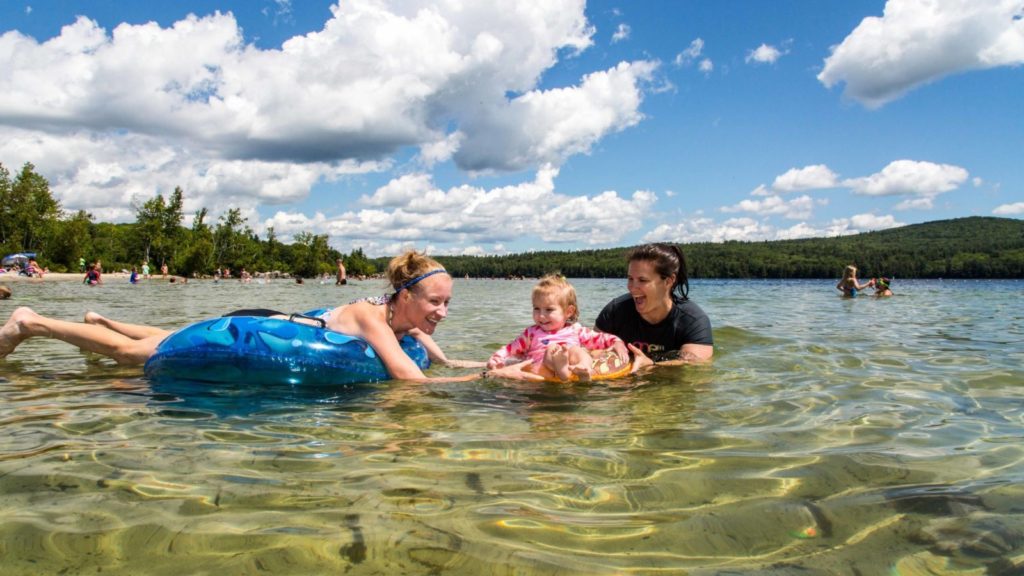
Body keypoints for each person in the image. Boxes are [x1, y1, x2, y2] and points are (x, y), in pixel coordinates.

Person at [0, 250, 483, 383]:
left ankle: (100, 320)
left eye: (448, 304)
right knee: (136, 357)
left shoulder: (410, 323)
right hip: (257, 327)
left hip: (279, 318)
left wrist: (490, 367)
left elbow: (439, 363)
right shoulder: (372, 317)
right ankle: (32, 321)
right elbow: (410, 381)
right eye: (434, 302)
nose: (441, 312)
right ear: (404, 295)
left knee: (164, 334)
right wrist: (500, 388)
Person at [488, 243, 713, 380]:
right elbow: (588, 349)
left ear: (669, 281)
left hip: (661, 382)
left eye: (642, 280)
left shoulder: (692, 321)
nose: (632, 287)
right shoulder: (616, 311)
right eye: (629, 278)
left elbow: (695, 365)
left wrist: (652, 365)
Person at [486, 274, 627, 381]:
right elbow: (510, 348)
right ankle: (561, 367)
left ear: (568, 312)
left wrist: (617, 342)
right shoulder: (531, 333)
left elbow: (600, 338)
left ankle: (583, 367)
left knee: (577, 351)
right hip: (544, 369)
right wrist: (496, 359)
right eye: (536, 309)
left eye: (549, 310)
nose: (541, 316)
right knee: (552, 349)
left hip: (570, 364)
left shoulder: (576, 330)